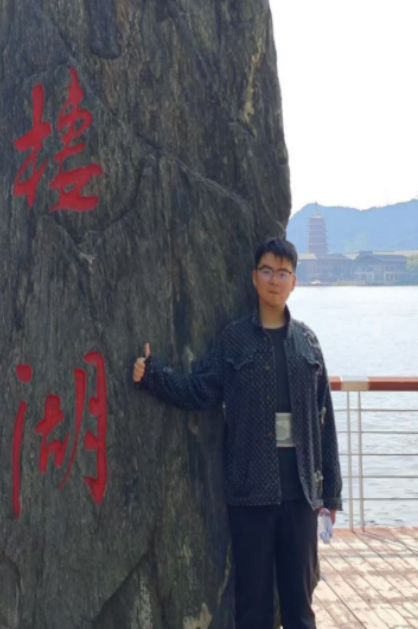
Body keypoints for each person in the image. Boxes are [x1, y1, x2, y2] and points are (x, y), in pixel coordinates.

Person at [133, 238, 343, 629]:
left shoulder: (308, 342)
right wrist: (153, 375)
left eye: (283, 273)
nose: (274, 280)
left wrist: (330, 494)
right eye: (267, 271)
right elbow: (199, 390)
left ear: (294, 282)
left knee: (300, 608)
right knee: (252, 607)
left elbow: (324, 419)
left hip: (301, 496)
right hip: (250, 494)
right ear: (253, 277)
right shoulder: (234, 340)